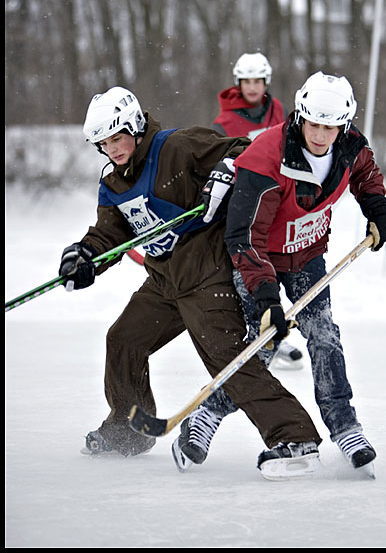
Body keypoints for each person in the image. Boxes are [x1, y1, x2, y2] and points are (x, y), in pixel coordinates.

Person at [58, 85, 321, 478]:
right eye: (104, 144)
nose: (113, 149)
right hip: (163, 282)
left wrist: (225, 170)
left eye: (117, 138)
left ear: (135, 126)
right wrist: (85, 257)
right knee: (124, 340)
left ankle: (296, 437)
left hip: (206, 277)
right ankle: (129, 431)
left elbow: (245, 151)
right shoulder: (113, 184)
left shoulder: (178, 146)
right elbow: (109, 234)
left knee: (228, 361)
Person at [172, 71, 386, 478]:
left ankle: (345, 427)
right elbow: (243, 236)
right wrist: (266, 298)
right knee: (263, 343)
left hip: (307, 256)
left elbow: (365, 174)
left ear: (344, 124)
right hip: (258, 258)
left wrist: (377, 207)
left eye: (331, 127)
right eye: (313, 124)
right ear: (300, 116)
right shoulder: (266, 157)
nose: (321, 135)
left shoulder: (349, 143)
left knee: (324, 334)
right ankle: (205, 417)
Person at [212, 52, 304, 369]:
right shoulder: (224, 123)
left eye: (258, 81)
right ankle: (257, 338)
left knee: (274, 265)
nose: (252, 87)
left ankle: (273, 331)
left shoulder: (277, 110)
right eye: (247, 81)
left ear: (266, 82)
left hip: (275, 199)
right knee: (247, 271)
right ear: (238, 83)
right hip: (241, 202)